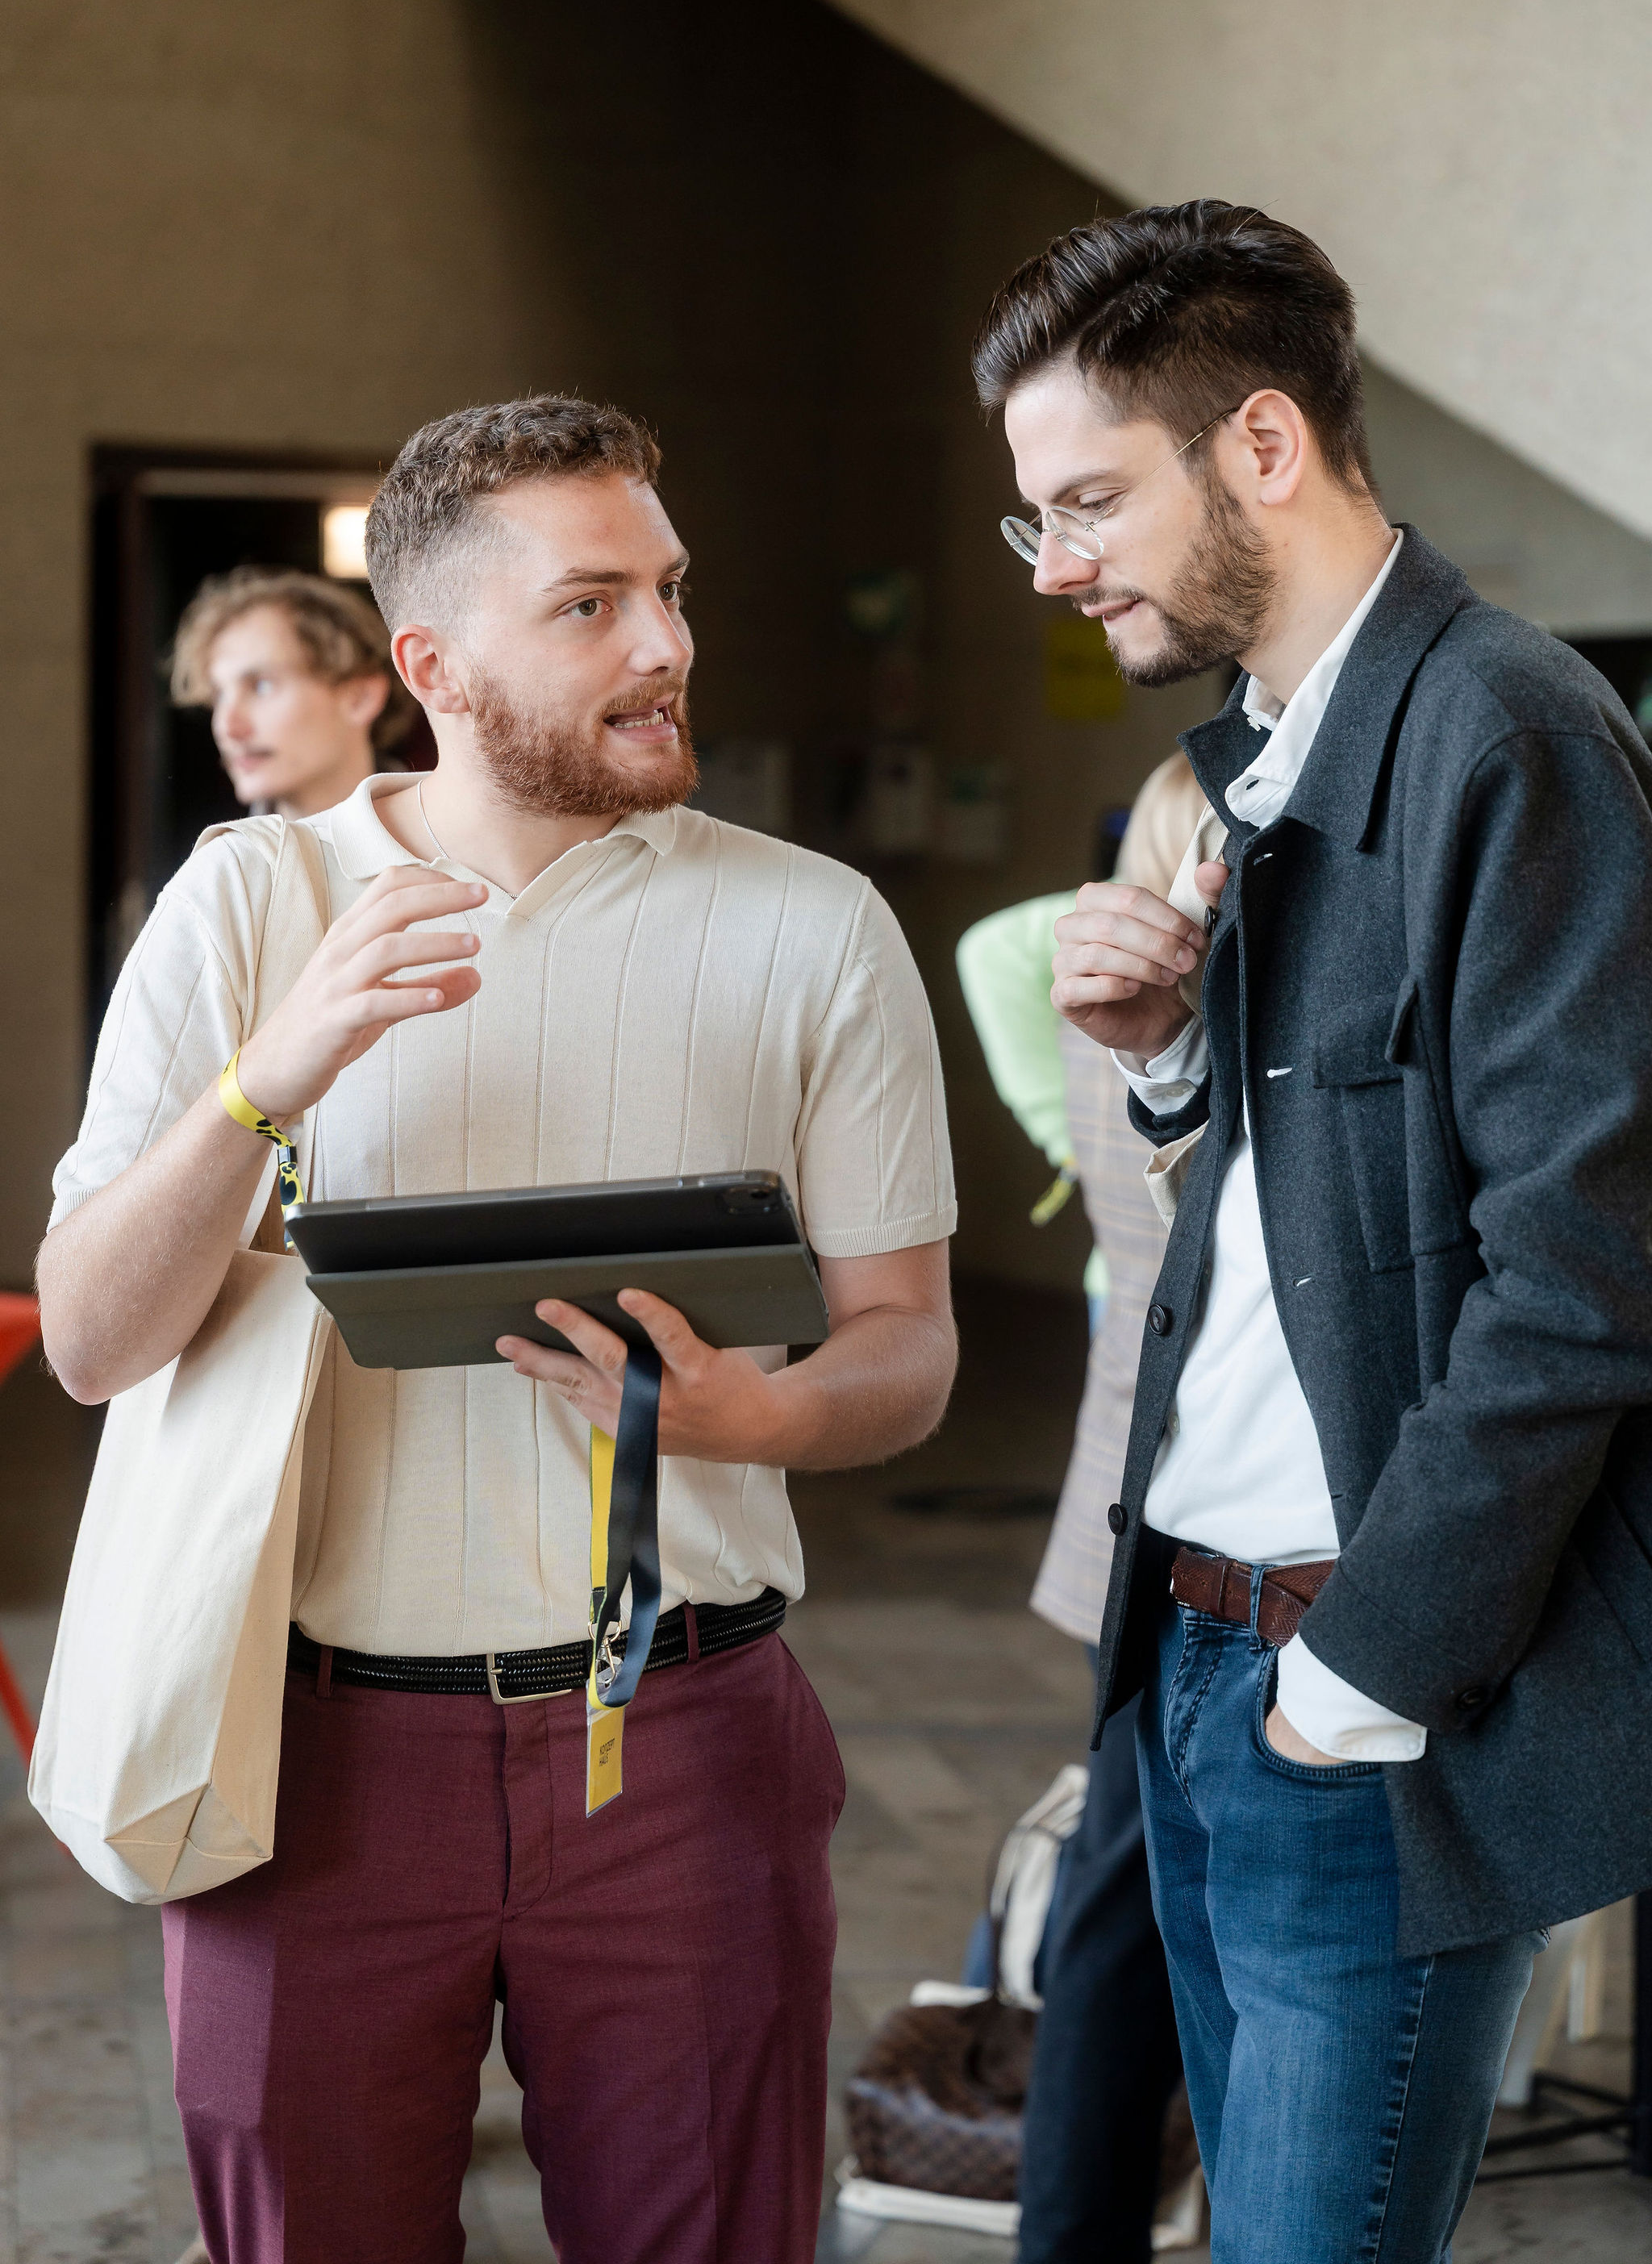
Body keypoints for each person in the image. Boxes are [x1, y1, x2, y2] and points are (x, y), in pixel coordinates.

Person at [38, 396, 958, 2264]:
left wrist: (738, 1418)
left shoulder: (816, 926)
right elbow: (86, 1337)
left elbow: (907, 1345)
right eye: (595, 603)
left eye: (671, 591)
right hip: (299, 1759)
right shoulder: (243, 901)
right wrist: (267, 1075)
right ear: (435, 663)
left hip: (682, 1738)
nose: (666, 645)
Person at [971, 200, 1652, 2262]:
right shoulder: (1270, 750)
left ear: (1259, 445)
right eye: (1033, 517)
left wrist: (1355, 1679)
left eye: (1087, 498)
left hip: (1349, 1700)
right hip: (1192, 1658)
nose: (1059, 560)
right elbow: (1317, 1219)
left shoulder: (1504, 732)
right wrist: (1174, 1059)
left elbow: (1587, 1277)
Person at [957, 754, 1201, 2263]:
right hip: (1176, 1517)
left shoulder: (1105, 1041)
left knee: (1121, 1892)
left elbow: (996, 947)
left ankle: (1084, 2212)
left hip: (1122, 1510)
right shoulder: (1176, 1033)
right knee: (1138, 1894)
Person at [169, 564, 419, 817]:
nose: (227, 728)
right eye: (219, 695)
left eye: (261, 686)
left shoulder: (450, 848)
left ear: (360, 697)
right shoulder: (215, 857)